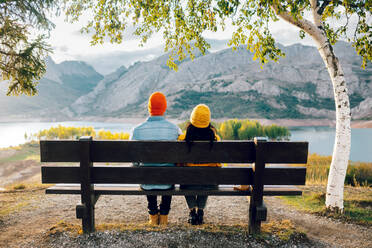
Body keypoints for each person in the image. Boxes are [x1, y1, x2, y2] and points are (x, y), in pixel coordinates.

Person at [131, 92, 182, 226]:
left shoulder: (137, 131)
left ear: (149, 108)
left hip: (146, 180)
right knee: (168, 170)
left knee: (148, 170)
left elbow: (134, 160)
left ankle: (153, 215)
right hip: (168, 181)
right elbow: (180, 156)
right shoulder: (175, 130)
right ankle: (164, 215)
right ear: (164, 108)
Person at [178, 104, 221, 225]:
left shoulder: (183, 139)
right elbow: (218, 163)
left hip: (188, 184)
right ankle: (200, 211)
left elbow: (178, 163)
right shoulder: (215, 139)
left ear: (192, 119)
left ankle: (192, 212)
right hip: (209, 184)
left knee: (187, 178)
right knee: (207, 176)